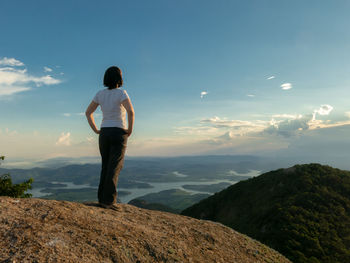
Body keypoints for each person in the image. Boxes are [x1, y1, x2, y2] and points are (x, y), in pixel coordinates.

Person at [85, 66, 134, 210]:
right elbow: (131, 112)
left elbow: (88, 112)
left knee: (106, 166)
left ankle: (102, 199)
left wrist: (96, 129)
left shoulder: (100, 94)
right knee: (114, 167)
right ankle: (109, 201)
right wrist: (129, 130)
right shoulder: (121, 93)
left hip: (104, 132)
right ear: (119, 78)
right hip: (119, 132)